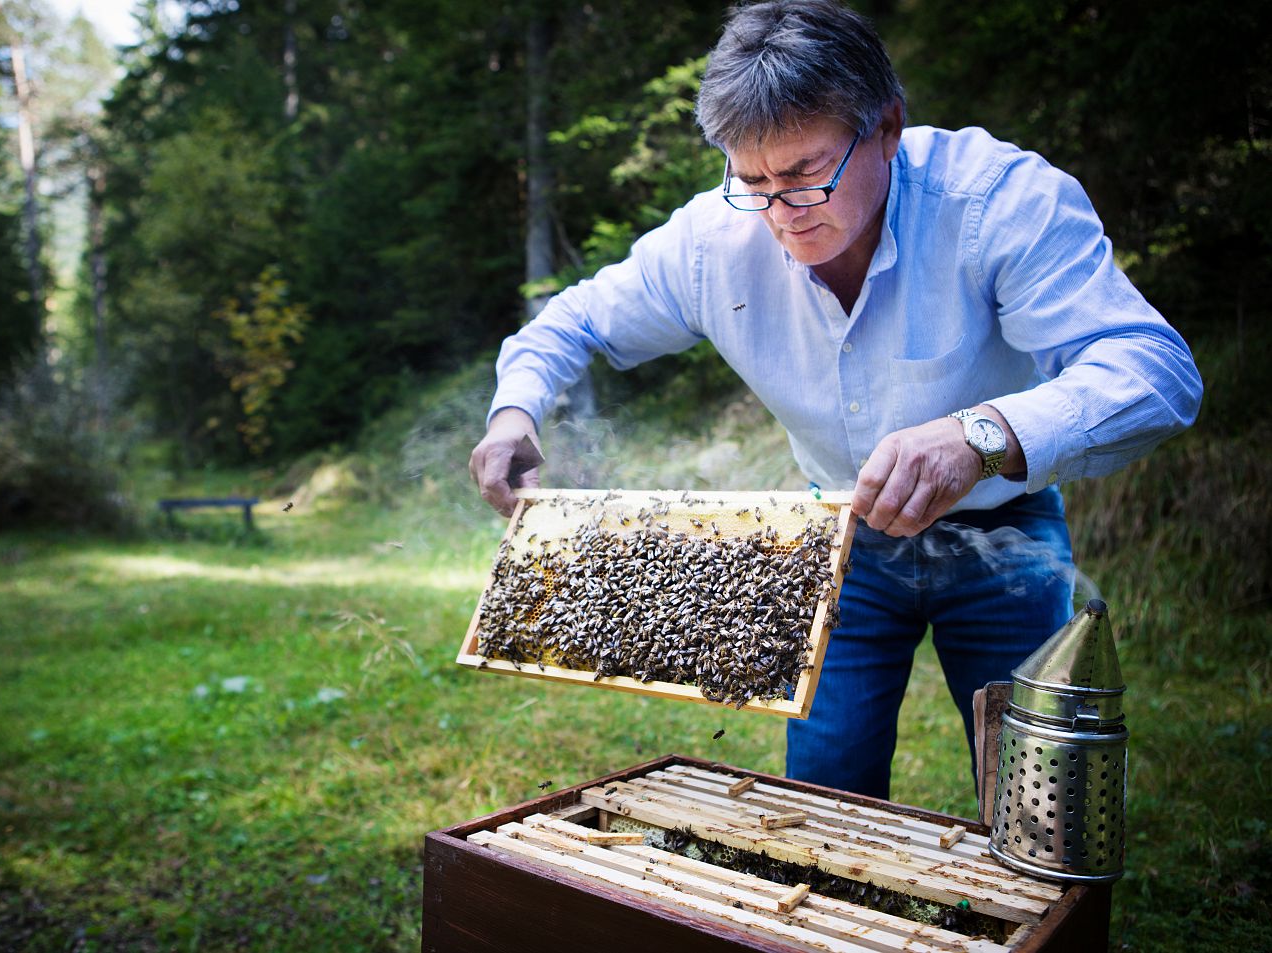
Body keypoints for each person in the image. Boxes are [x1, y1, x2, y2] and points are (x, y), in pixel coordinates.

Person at [468, 0, 1202, 799]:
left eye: (806, 176)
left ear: (886, 125)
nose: (781, 213)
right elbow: (570, 322)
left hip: (1005, 532)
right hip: (839, 545)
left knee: (1040, 799)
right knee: (822, 797)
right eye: (754, 181)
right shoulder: (714, 239)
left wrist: (981, 435)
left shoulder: (997, 199)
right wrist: (516, 412)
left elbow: (1155, 370)